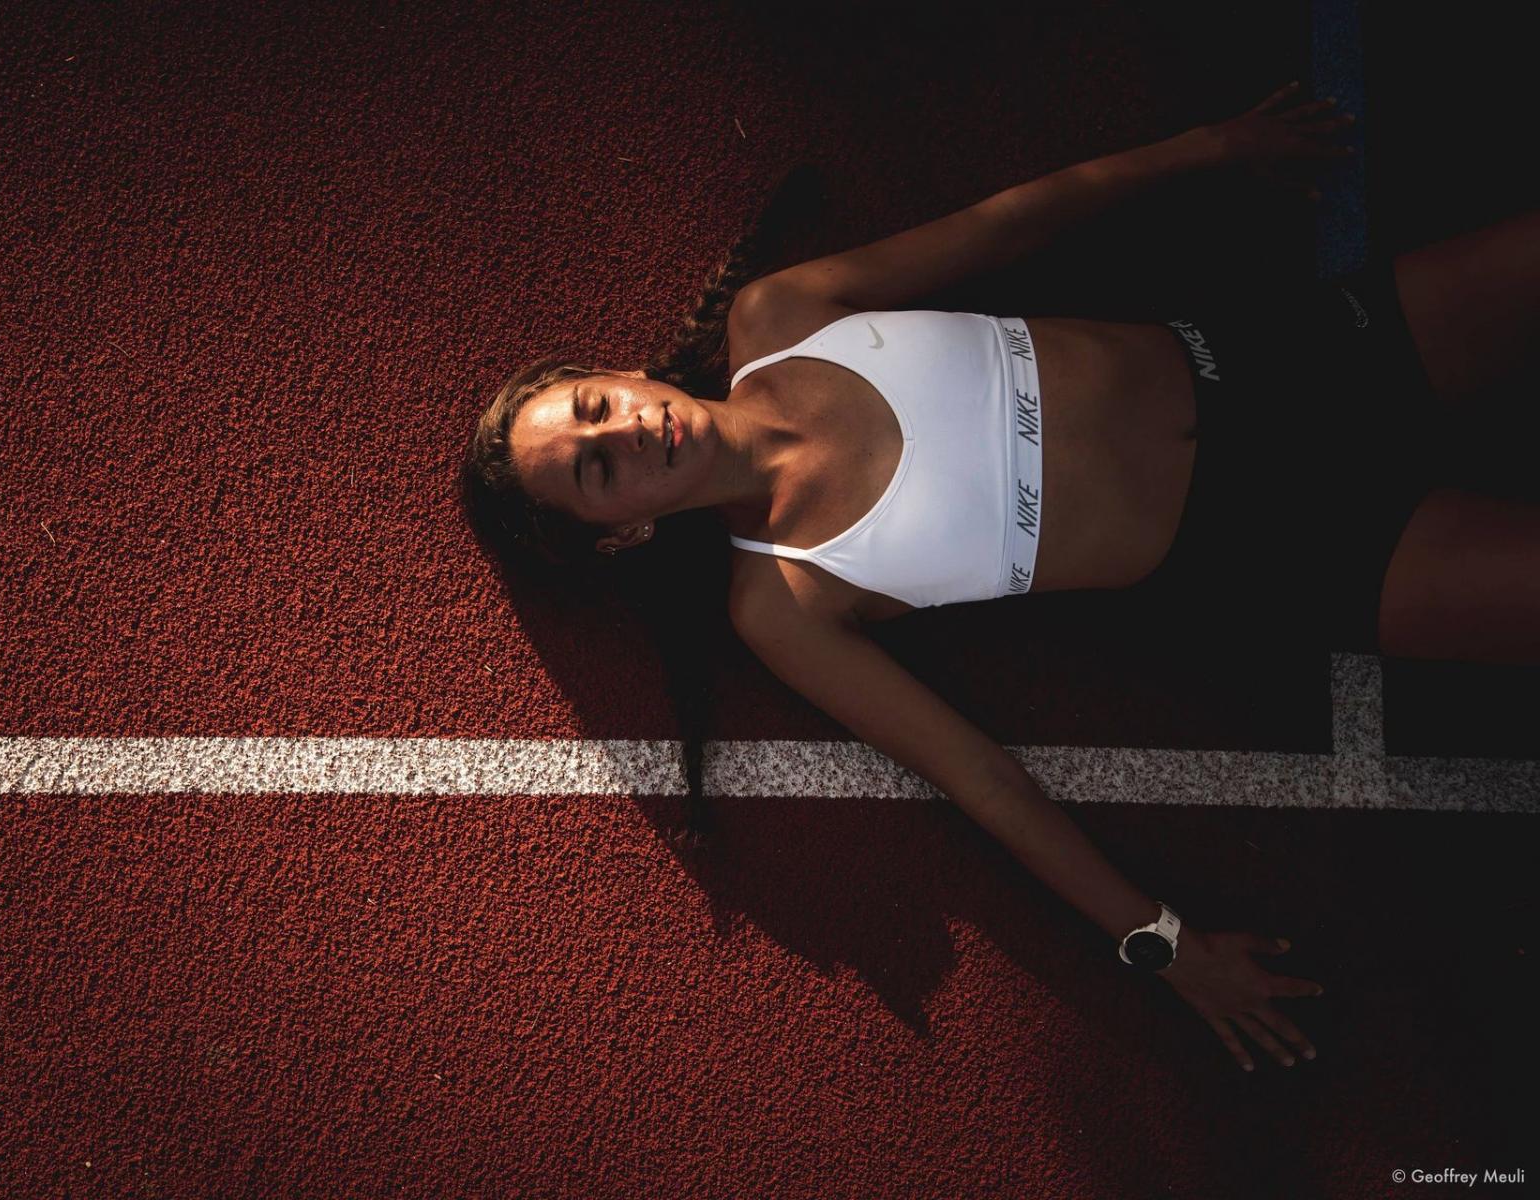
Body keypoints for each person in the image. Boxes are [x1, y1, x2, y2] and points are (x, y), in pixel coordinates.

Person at [460, 82, 1540, 1072]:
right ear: (622, 537)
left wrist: (1209, 149)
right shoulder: (783, 601)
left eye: (595, 409)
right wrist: (1163, 947)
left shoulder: (780, 317)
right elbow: (981, 778)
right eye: (597, 473)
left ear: (620, 376)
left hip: (1288, 359)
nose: (627, 433)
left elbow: (1005, 224)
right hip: (1282, 550)